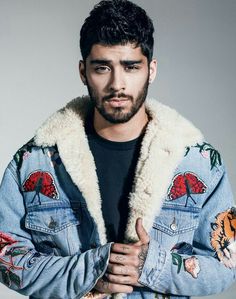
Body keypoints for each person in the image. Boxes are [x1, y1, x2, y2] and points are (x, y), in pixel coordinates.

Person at [0, 0, 235, 298]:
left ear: (151, 70)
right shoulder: (35, 162)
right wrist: (89, 271)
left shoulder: (198, 162)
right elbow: (5, 255)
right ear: (83, 72)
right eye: (102, 68)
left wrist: (154, 266)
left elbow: (227, 265)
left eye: (131, 66)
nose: (117, 84)